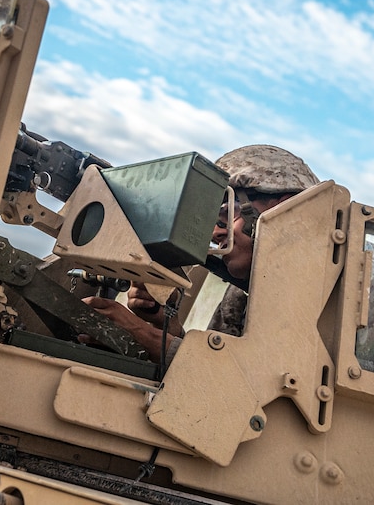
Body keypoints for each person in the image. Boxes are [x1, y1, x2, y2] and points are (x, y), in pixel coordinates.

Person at [83, 145, 319, 364]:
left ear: (284, 211)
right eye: (211, 222)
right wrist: (166, 326)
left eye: (226, 214)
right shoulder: (243, 296)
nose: (215, 233)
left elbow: (247, 387)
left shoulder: (329, 302)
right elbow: (217, 373)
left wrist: (142, 335)